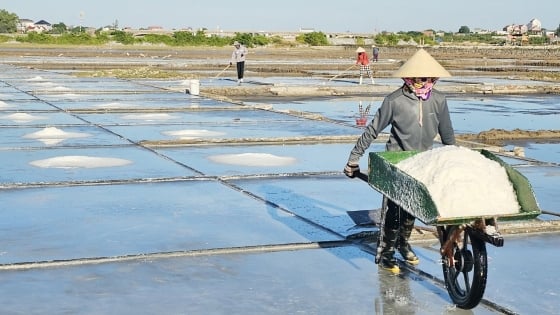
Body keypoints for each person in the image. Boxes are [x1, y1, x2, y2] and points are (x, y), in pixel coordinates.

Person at [343, 48, 456, 274]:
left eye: (428, 77)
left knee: (412, 208)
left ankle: (404, 244)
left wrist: (454, 162)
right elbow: (372, 130)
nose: (423, 81)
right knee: (394, 212)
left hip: (424, 163)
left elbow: (448, 136)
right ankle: (386, 253)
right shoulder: (394, 101)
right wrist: (353, 158)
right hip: (397, 164)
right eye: (419, 77)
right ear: (410, 77)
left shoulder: (439, 100)